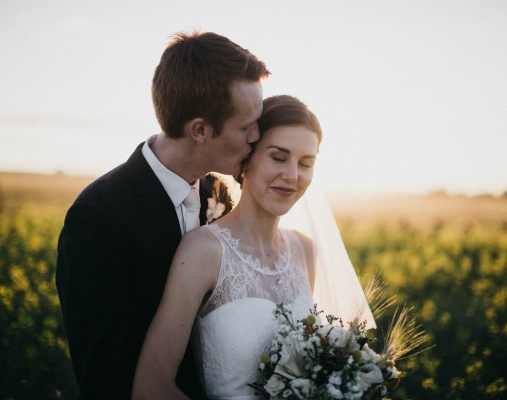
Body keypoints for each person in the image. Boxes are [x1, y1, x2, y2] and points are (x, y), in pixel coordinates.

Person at [55, 31, 269, 400]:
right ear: (199, 130)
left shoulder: (216, 193)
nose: (257, 136)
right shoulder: (98, 218)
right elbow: (104, 381)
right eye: (246, 125)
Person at [132, 95, 374, 399]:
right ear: (246, 158)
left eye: (306, 163)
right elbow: (151, 387)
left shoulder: (305, 251)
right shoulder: (204, 250)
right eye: (278, 156)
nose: (292, 175)